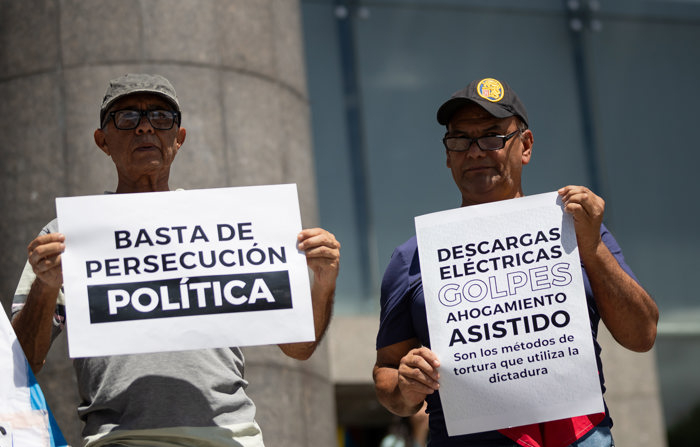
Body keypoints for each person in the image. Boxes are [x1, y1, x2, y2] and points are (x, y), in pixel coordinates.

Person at [11, 73, 340, 447]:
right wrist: (46, 284)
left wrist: (323, 282)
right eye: (127, 118)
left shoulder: (227, 224)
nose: (145, 128)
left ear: (178, 138)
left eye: (162, 117)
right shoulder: (65, 235)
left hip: (230, 438)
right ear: (102, 141)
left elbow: (299, 348)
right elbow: (24, 361)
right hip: (120, 440)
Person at [372, 77, 659, 447]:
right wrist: (406, 386)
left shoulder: (580, 230)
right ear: (447, 155)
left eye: (492, 137)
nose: (475, 152)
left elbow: (641, 335)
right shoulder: (412, 257)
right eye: (460, 140)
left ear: (525, 146)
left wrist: (593, 249)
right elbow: (387, 372)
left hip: (580, 436)